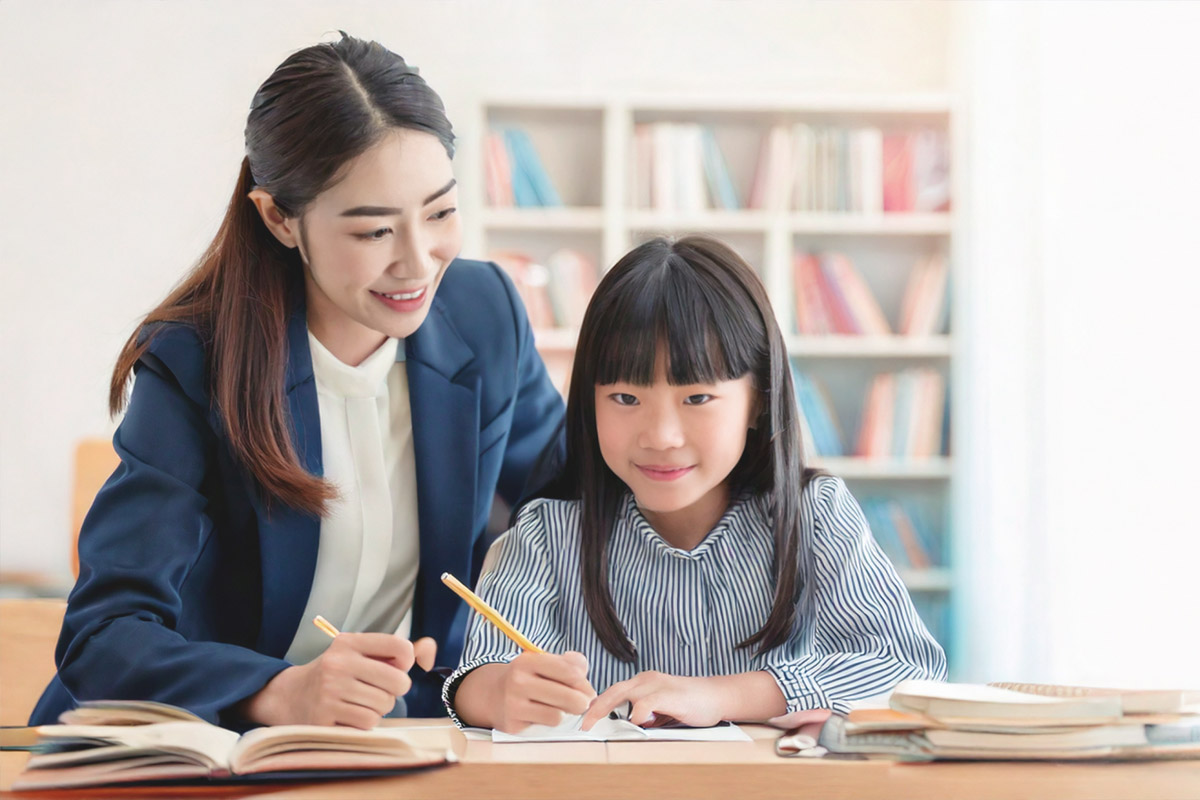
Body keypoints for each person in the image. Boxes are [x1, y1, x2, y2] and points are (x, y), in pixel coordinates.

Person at [30, 34, 564, 729]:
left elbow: (573, 505)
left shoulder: (484, 312)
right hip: (201, 742)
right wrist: (280, 691)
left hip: (394, 740)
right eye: (373, 232)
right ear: (280, 218)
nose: (417, 262)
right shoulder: (195, 360)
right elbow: (105, 634)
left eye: (439, 213)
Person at [444, 235, 946, 733]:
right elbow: (483, 673)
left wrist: (722, 695)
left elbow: (906, 667)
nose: (661, 437)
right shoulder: (547, 533)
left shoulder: (816, 513)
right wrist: (496, 692)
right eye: (624, 398)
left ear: (759, 400)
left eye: (698, 398)